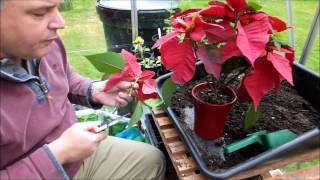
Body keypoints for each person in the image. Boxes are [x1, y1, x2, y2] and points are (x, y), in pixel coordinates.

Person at [0, 0, 166, 179]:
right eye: (39, 13)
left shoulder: (42, 43)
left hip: (76, 155)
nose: (60, 22)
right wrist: (58, 154)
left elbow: (64, 76)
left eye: (57, 8)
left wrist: (93, 90)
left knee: (153, 160)